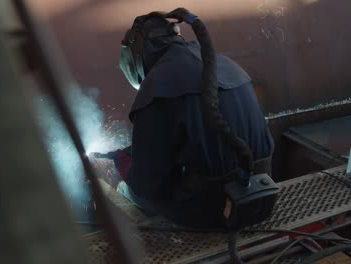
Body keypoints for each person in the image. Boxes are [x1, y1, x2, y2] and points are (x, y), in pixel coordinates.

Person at [107, 9, 274, 228]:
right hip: (263, 187)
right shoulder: (224, 64)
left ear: (136, 56)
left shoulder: (157, 88)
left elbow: (149, 185)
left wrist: (128, 167)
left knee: (128, 191)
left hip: (212, 208)